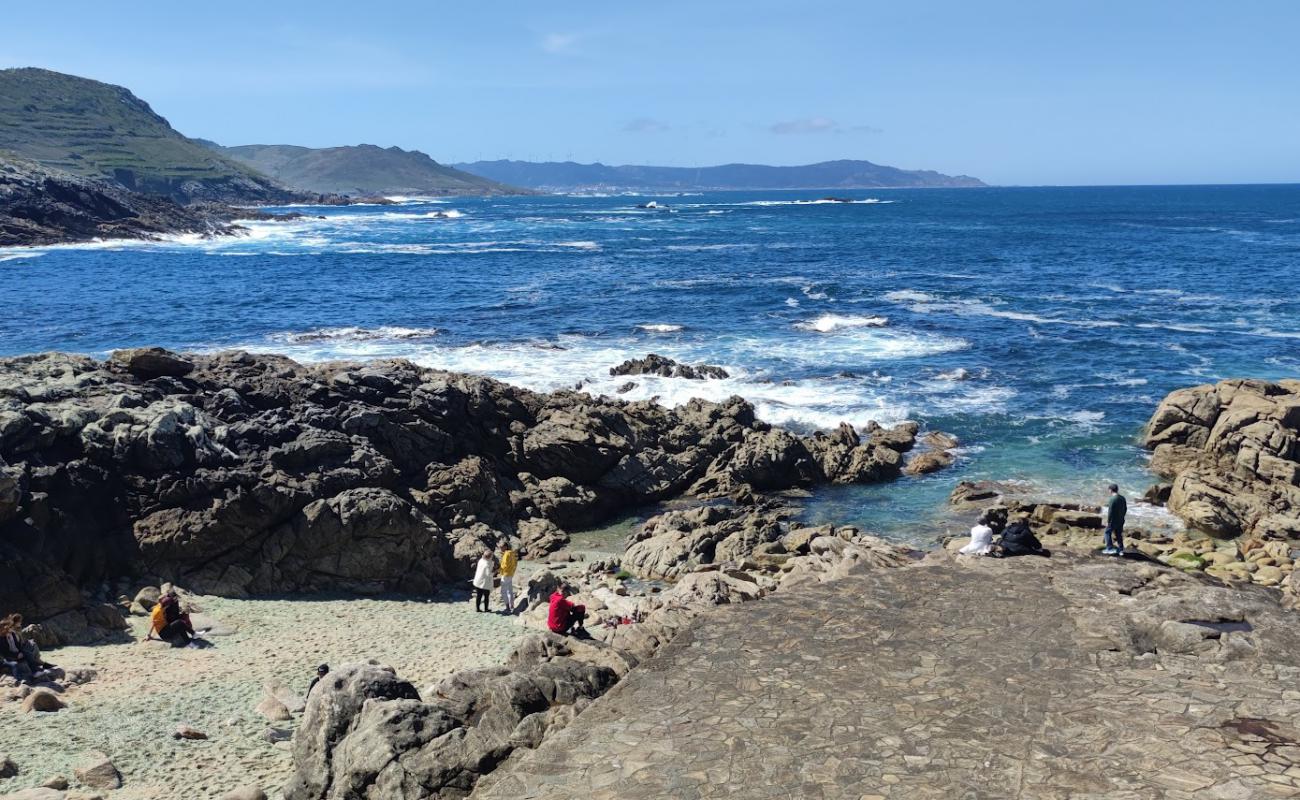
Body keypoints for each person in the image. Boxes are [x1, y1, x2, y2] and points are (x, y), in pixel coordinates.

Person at [1, 614, 53, 682]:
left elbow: (18, 645)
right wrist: (16, 655)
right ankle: (33, 672)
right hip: (9, 657)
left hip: (17, 653)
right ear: (5, 629)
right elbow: (4, 653)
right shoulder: (1, 639)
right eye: (10, 627)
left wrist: (21, 652)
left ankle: (35, 671)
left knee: (27, 653)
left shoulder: (12, 634)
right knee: (25, 655)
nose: (12, 628)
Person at [1102, 483, 1128, 556]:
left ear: (1110, 490)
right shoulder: (1122, 498)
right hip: (1121, 520)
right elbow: (1125, 509)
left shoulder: (1112, 499)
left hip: (1113, 521)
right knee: (1119, 534)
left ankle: (1109, 548)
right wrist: (1122, 517)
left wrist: (1108, 521)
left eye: (1109, 490)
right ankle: (1121, 550)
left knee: (1107, 533)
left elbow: (1110, 511)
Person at [498, 540, 518, 615]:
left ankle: (507, 607)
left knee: (503, 591)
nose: (500, 548)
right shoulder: (512, 553)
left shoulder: (506, 554)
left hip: (505, 574)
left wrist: (498, 570)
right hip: (510, 574)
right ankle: (512, 605)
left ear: (505, 547)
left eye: (501, 547)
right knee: (510, 590)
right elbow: (515, 563)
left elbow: (505, 565)